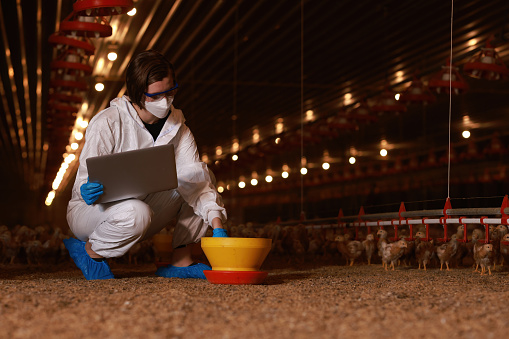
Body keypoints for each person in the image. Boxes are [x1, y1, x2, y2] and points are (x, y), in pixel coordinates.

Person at [64, 50, 228, 281]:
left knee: (200, 176)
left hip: (144, 207)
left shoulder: (180, 130)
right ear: (137, 94)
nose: (166, 101)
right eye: (156, 96)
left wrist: (217, 224)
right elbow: (85, 178)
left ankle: (181, 262)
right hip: (92, 211)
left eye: (170, 92)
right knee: (136, 212)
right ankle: (89, 251)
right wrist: (86, 188)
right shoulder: (108, 122)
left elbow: (197, 184)